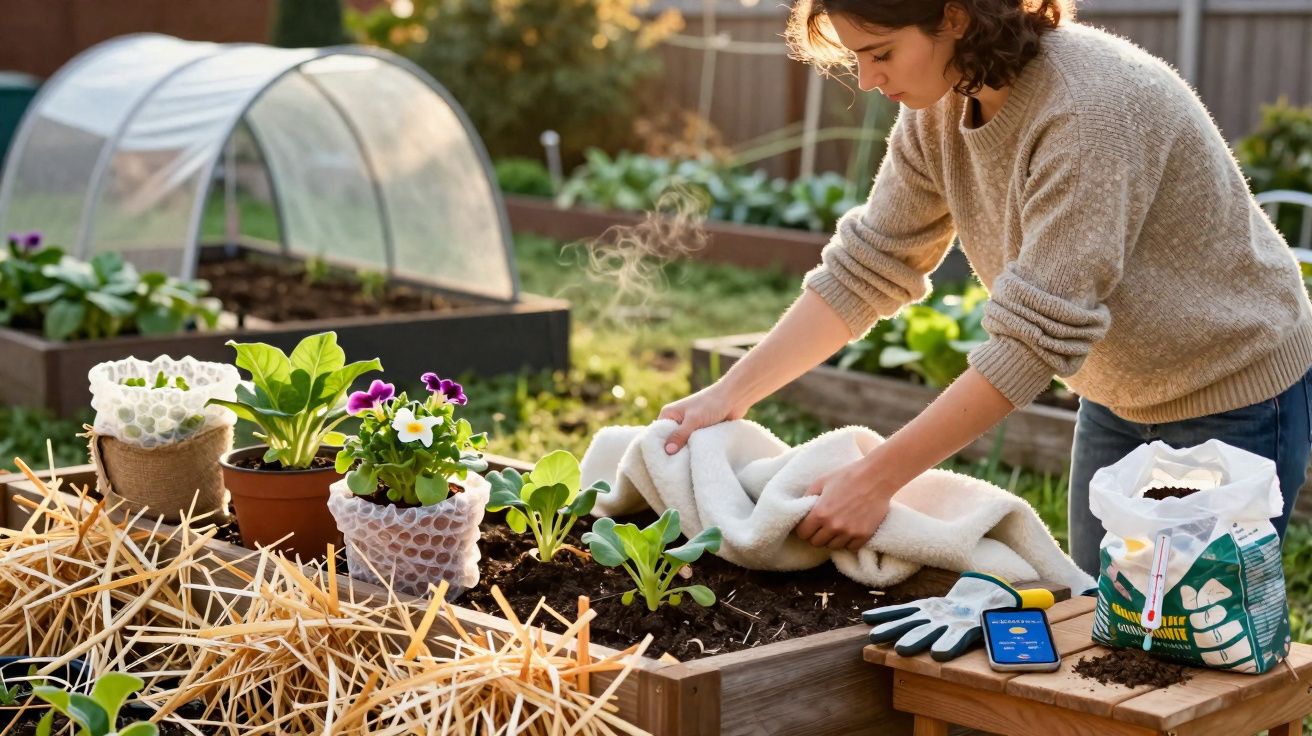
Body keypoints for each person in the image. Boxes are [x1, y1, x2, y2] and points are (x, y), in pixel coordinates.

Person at [657, 0, 1312, 576]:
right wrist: (727, 395)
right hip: (1118, 398)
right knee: (1104, 625)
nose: (868, 80)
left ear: (954, 17)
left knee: (1195, 643)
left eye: (880, 53)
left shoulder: (1091, 110)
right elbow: (868, 266)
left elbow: (1032, 340)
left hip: (1232, 391)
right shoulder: (941, 107)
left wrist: (877, 479)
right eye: (857, 58)